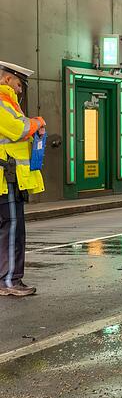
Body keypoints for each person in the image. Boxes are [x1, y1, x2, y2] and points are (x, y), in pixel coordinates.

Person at [0, 61, 46, 297]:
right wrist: (38, 122)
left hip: (9, 177)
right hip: (6, 178)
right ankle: (9, 281)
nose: (20, 90)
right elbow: (18, 129)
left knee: (9, 229)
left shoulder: (10, 104)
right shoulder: (2, 103)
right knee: (11, 229)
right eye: (19, 84)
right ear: (7, 79)